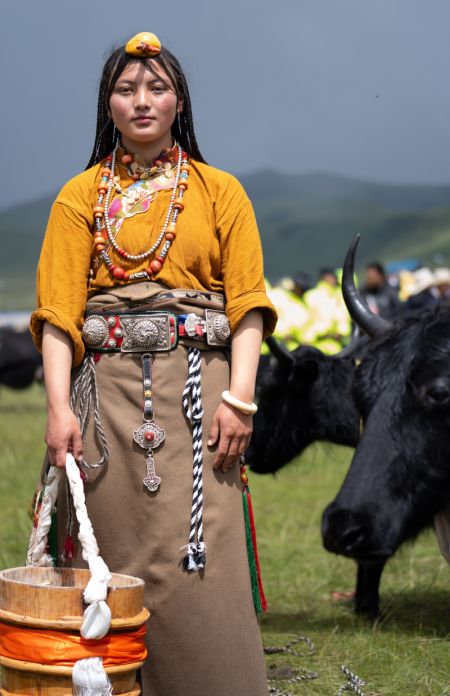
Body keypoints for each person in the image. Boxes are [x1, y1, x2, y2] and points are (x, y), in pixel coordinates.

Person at [30, 32, 277, 696]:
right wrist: (58, 410)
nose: (143, 101)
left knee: (202, 563)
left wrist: (242, 397)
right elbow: (58, 315)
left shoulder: (220, 191)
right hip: (101, 404)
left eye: (157, 87)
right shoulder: (78, 198)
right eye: (126, 88)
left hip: (204, 400)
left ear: (179, 101)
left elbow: (248, 305)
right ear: (108, 103)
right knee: (114, 560)